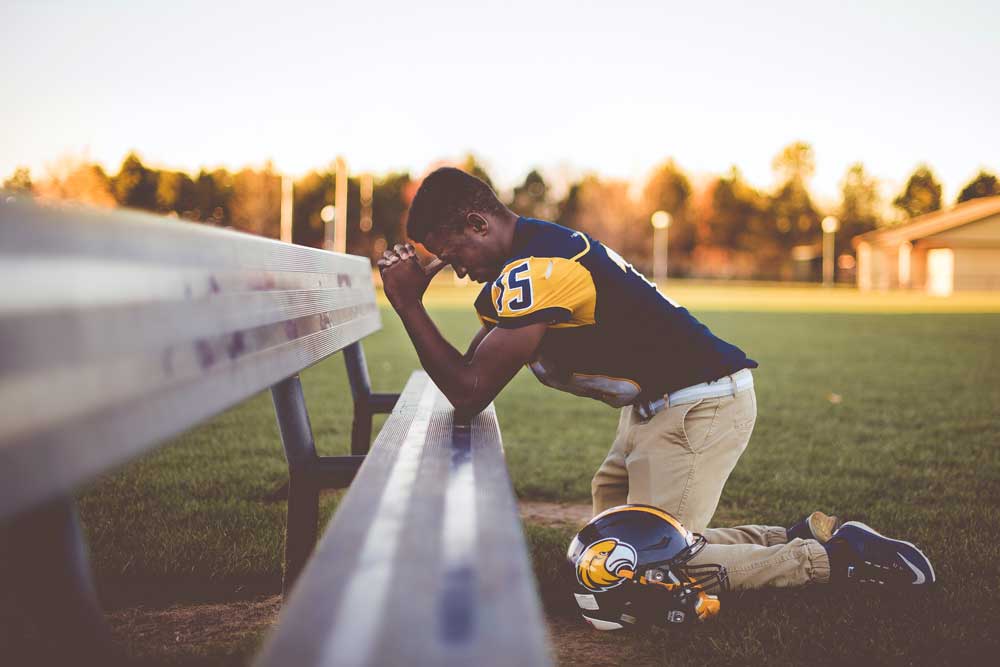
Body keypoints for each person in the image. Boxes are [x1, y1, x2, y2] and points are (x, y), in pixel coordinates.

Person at [377, 166, 934, 599]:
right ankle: (798, 536)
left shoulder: (538, 267)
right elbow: (472, 369)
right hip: (661, 406)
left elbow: (470, 390)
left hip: (697, 406)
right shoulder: (529, 256)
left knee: (646, 568)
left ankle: (837, 560)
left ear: (479, 224)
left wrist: (406, 305)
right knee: (614, 552)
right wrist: (414, 304)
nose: (456, 268)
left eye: (454, 254)